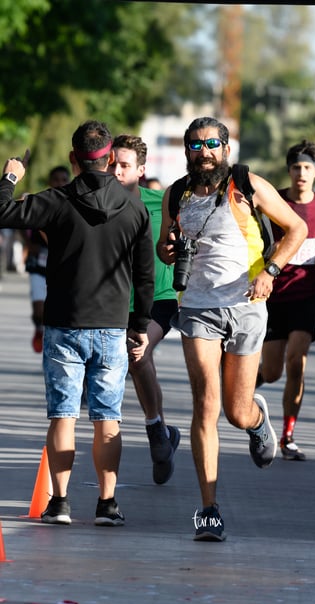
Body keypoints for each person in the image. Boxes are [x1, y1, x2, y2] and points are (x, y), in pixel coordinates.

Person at [156, 116, 308, 541]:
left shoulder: (248, 184)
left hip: (247, 306)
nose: (203, 152)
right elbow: (165, 252)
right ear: (188, 151)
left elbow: (297, 228)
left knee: (235, 411)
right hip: (198, 309)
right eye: (195, 145)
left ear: (225, 148)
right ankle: (208, 510)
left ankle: (257, 421)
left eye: (211, 143)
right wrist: (167, 247)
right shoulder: (177, 194)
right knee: (206, 404)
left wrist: (272, 271)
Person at [0, 120, 154, 525]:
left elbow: (2, 211)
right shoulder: (134, 207)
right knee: (108, 418)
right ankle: (107, 503)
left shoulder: (57, 200)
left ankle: (61, 503)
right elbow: (145, 276)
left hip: (65, 324)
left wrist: (10, 176)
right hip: (112, 327)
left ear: (74, 159)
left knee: (63, 415)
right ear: (108, 159)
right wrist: (140, 325)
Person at [257, 140, 315, 461]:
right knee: (274, 371)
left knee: (297, 362)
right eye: (296, 167)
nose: (301, 173)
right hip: (274, 295)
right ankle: (242, 390)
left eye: (307, 167)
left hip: (307, 296)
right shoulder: (274, 201)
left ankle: (288, 436)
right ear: (289, 171)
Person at [109, 134, 180, 485]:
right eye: (112, 165)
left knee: (137, 354)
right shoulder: (100, 205)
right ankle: (164, 435)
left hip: (160, 300)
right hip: (117, 303)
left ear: (141, 169)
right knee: (137, 363)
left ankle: (154, 430)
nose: (117, 172)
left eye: (125, 165)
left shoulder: (162, 202)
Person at [23, 165, 71, 353]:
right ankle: (38, 329)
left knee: (57, 308)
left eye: (63, 180)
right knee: (38, 310)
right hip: (38, 264)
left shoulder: (71, 204)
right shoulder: (40, 202)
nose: (60, 183)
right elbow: (21, 224)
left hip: (61, 267)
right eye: (56, 179)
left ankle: (54, 340)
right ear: (50, 182)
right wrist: (28, 243)